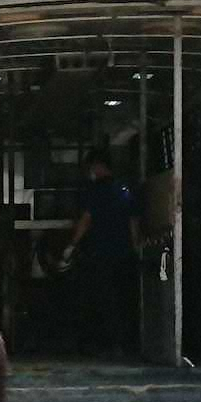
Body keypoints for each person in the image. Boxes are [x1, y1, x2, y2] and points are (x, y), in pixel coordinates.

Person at [60, 149, 139, 356]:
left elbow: (86, 220)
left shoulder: (95, 191)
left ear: (98, 166)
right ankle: (125, 345)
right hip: (124, 253)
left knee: (104, 301)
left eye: (91, 167)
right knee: (123, 300)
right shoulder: (123, 189)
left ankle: (111, 345)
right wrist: (135, 247)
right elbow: (133, 222)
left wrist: (71, 245)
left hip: (102, 254)